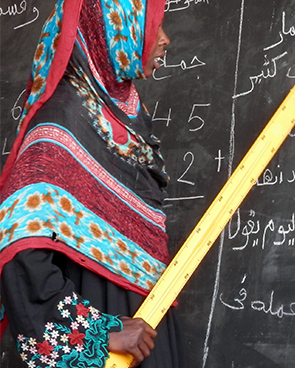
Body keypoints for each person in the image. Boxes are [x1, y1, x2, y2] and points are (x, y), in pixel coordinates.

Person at [0, 0, 185, 367]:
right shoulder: (61, 126)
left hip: (145, 336)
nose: (165, 40)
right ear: (115, 33)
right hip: (107, 348)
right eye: (151, 27)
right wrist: (100, 333)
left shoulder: (126, 123)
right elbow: (19, 252)